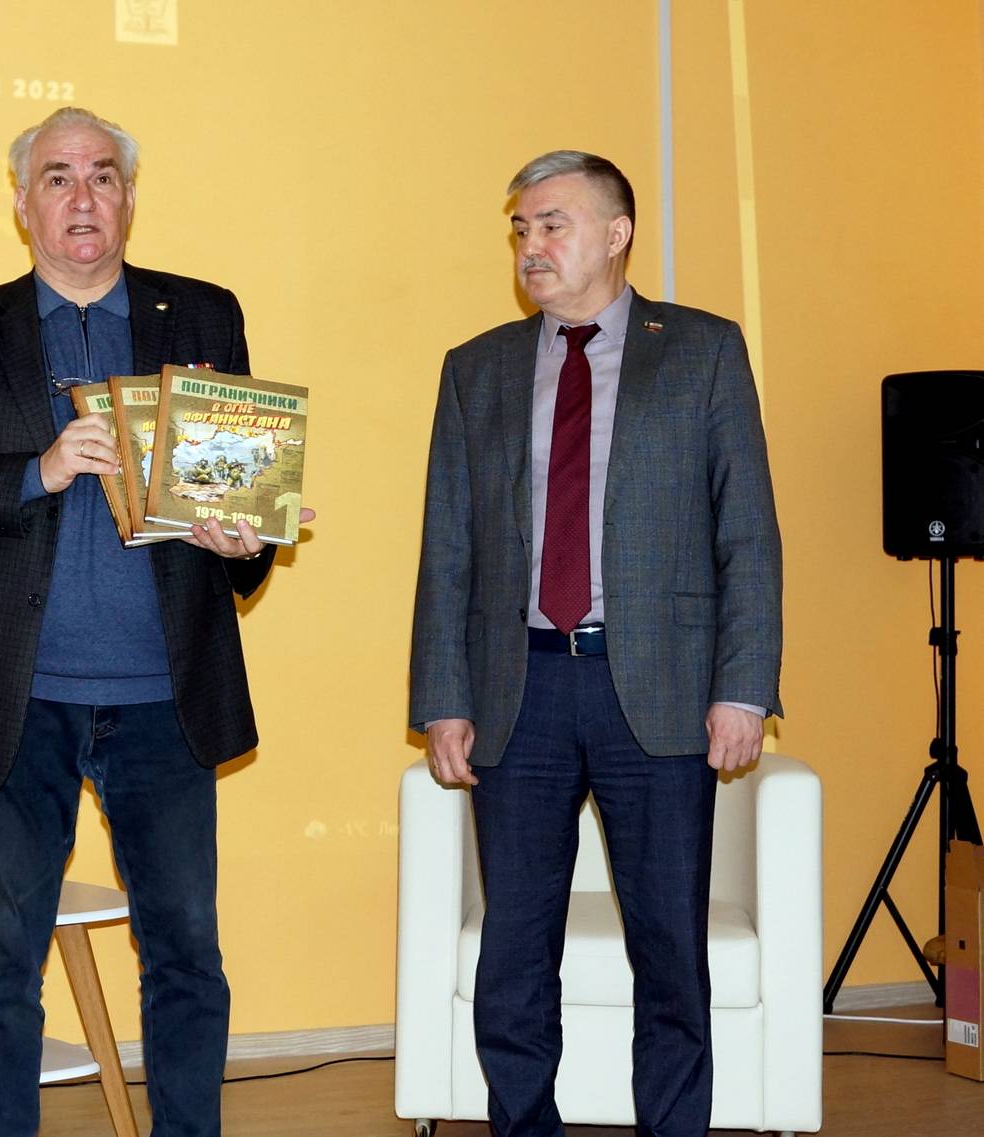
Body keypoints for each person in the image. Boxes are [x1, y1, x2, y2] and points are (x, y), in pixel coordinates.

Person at [0, 106, 308, 1137]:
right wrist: (39, 469)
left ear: (129, 199)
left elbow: (236, 494)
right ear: (23, 205)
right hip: (18, 697)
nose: (82, 196)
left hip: (165, 694)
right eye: (58, 177)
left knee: (186, 955)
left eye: (103, 176)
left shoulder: (203, 313)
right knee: (1, 965)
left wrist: (244, 540)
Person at [409, 150, 782, 1137]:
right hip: (517, 692)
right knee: (513, 955)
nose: (530, 246)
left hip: (657, 691)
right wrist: (443, 697)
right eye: (520, 229)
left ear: (616, 234)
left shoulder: (701, 350)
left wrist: (743, 687)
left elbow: (747, 533)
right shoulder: (477, 367)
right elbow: (448, 548)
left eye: (552, 225)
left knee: (670, 953)